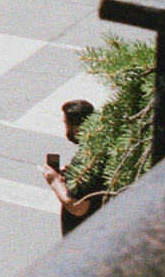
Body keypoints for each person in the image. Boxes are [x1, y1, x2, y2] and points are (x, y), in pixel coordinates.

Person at [40, 100, 107, 235]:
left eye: (66, 124)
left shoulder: (87, 158)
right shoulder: (101, 147)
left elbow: (78, 207)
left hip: (82, 235)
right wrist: (69, 175)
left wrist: (54, 181)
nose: (65, 128)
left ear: (76, 128)